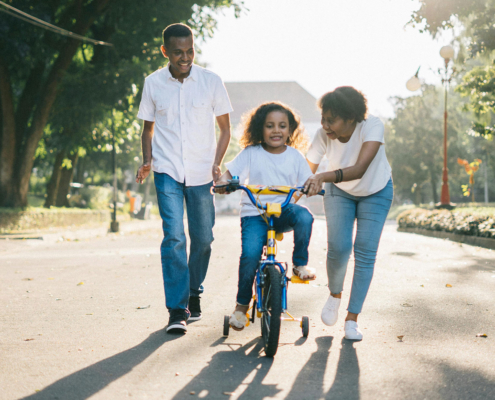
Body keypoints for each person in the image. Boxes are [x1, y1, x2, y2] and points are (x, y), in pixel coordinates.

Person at [135, 23, 233, 334]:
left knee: (203, 239)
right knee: (175, 237)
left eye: (190, 51)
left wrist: (217, 163)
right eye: (178, 52)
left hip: (202, 172)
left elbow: (225, 129)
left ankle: (194, 292)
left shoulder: (211, 81)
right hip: (167, 172)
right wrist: (148, 161)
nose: (185, 57)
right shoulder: (153, 83)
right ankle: (177, 310)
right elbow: (148, 129)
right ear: (165, 51)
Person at [215, 102, 315, 330]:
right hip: (255, 214)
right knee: (250, 255)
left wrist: (311, 186)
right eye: (270, 126)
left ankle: (300, 264)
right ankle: (241, 307)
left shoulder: (296, 157)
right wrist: (223, 183)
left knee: (305, 217)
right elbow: (229, 175)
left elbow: (307, 181)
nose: (276, 130)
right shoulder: (251, 153)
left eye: (282, 126)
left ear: (290, 131)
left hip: (282, 212)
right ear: (260, 128)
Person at [304, 86, 393, 340]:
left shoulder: (372, 126)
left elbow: (360, 168)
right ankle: (334, 294)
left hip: (376, 190)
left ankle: (352, 319)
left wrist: (322, 176)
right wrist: (290, 196)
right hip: (340, 192)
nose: (325, 125)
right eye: (323, 118)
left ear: (351, 118)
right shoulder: (323, 135)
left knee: (365, 251)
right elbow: (304, 171)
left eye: (331, 120)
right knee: (339, 247)